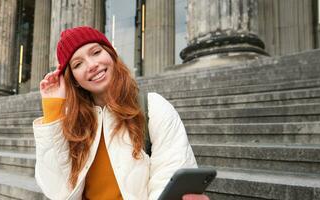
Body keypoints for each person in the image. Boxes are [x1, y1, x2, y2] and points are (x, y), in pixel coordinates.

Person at [33, 26, 208, 200]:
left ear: (111, 53)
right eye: (78, 64)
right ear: (74, 79)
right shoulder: (72, 122)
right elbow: (56, 191)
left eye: (96, 52)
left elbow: (170, 177)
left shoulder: (153, 107)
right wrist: (53, 109)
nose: (92, 65)